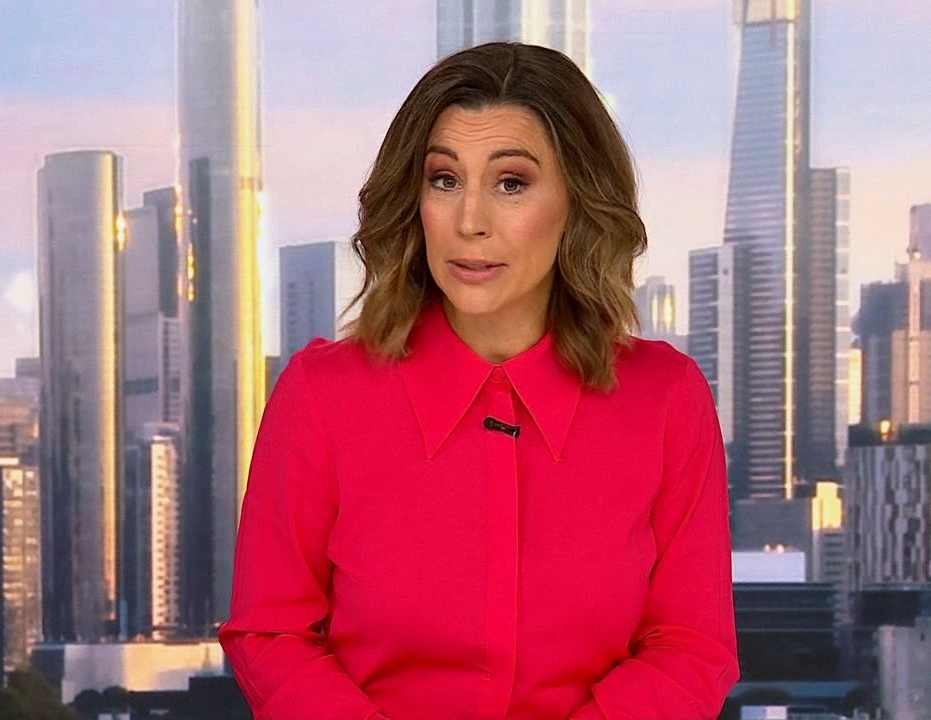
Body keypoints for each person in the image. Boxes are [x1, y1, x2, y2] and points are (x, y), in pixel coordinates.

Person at [219, 41, 739, 719]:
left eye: (511, 183)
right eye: (444, 180)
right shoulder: (323, 395)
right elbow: (271, 633)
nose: (470, 222)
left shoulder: (665, 398)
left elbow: (692, 647)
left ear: (578, 199)